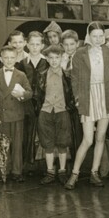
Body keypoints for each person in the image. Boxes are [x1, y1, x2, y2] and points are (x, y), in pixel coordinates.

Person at [66, 22, 109, 190]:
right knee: (88, 139)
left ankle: (94, 173)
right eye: (94, 36)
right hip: (88, 97)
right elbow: (74, 79)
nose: (98, 39)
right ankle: (74, 173)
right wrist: (78, 98)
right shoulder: (80, 54)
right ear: (89, 36)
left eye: (100, 36)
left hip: (105, 96)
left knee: (101, 137)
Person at [0, 45, 33, 182]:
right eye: (6, 58)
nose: (9, 60)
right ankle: (2, 172)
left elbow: (30, 93)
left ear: (16, 58)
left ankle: (17, 172)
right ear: (1, 59)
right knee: (1, 145)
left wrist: (23, 94)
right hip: (1, 117)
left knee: (17, 144)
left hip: (17, 115)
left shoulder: (21, 75)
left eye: (12, 58)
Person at [37, 45, 75, 185]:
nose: (54, 61)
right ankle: (50, 171)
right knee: (47, 142)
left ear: (62, 58)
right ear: (46, 59)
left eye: (57, 58)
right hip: (46, 111)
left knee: (63, 142)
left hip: (62, 111)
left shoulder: (67, 75)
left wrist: (70, 105)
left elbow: (71, 93)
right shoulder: (42, 75)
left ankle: (63, 170)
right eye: (51, 58)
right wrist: (40, 108)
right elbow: (38, 93)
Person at [16, 31, 48, 175]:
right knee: (27, 132)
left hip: (43, 102)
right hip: (27, 103)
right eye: (32, 44)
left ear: (42, 46)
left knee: (43, 132)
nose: (34, 47)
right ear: (27, 45)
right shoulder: (22, 64)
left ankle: (43, 164)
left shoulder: (46, 62)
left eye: (38, 44)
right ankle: (28, 164)